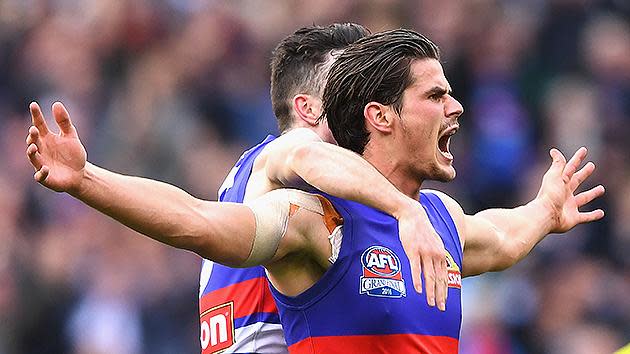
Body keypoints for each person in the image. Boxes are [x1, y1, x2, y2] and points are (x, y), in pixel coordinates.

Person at [25, 28, 604, 353]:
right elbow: (197, 221)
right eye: (435, 96)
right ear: (377, 116)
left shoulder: (438, 218)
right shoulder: (306, 207)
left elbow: (500, 239)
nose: (456, 107)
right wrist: (88, 180)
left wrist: (544, 210)